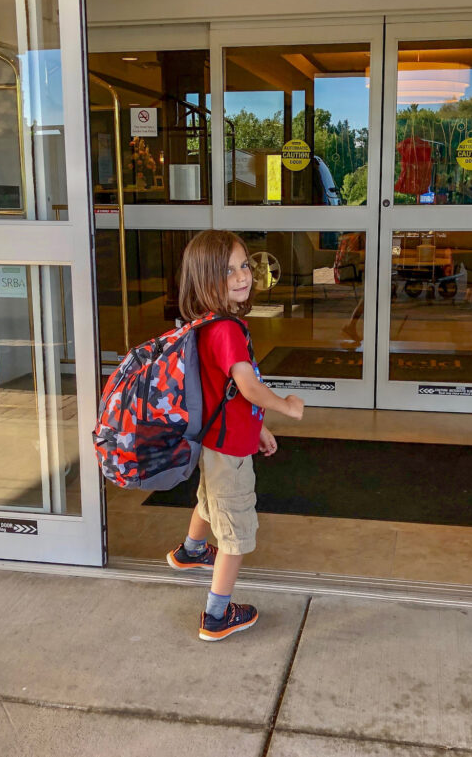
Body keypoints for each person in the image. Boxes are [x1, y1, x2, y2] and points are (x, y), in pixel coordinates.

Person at [165, 230, 305, 641]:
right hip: (228, 450)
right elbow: (247, 386)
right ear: (205, 278)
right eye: (228, 270)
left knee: (211, 502)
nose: (242, 276)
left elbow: (224, 393)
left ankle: (190, 551)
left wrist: (258, 426)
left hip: (218, 441)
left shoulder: (209, 323)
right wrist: (286, 406)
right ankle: (217, 615)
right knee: (236, 533)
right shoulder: (226, 330)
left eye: (245, 265)